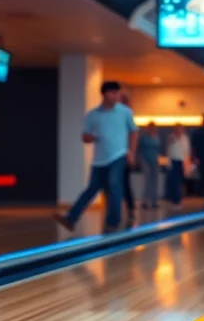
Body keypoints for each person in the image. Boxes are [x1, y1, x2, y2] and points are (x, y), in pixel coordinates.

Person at [56, 81, 136, 232]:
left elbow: (134, 131)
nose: (116, 96)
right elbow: (85, 136)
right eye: (113, 93)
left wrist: (131, 151)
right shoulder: (92, 115)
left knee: (114, 185)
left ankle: (113, 222)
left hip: (119, 155)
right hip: (99, 160)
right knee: (92, 188)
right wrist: (90, 138)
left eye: (118, 93)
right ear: (104, 94)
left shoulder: (125, 112)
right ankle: (71, 218)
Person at [119, 93, 136, 221]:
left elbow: (133, 135)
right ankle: (126, 208)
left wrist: (130, 153)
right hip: (116, 154)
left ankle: (130, 208)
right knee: (119, 183)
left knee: (124, 183)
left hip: (124, 155)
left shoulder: (126, 116)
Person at [138, 122, 162, 209]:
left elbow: (158, 147)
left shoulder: (156, 137)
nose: (152, 129)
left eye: (153, 128)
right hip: (146, 160)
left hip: (155, 161)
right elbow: (143, 146)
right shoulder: (144, 137)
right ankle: (145, 201)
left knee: (155, 181)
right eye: (150, 128)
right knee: (147, 181)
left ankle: (154, 201)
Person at [166, 124, 190, 207]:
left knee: (179, 181)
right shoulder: (171, 137)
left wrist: (186, 164)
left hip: (181, 161)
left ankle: (178, 199)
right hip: (173, 161)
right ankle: (175, 199)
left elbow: (186, 151)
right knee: (174, 181)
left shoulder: (185, 138)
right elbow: (169, 150)